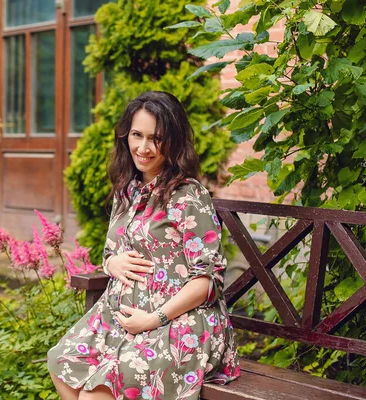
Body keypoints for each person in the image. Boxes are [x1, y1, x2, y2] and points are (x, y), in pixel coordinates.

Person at [47, 91, 240, 399]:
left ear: (173, 141)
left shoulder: (188, 195)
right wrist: (112, 263)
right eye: (137, 135)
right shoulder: (128, 189)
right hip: (123, 318)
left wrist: (153, 319)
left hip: (179, 322)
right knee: (62, 361)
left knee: (94, 394)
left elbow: (207, 282)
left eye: (156, 139)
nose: (143, 147)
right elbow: (110, 251)